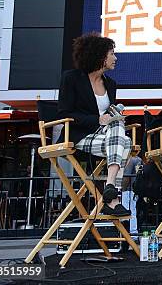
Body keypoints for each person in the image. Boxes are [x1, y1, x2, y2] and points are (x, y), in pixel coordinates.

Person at [58, 33, 132, 216]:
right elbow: (64, 113)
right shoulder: (72, 78)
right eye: (112, 53)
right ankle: (113, 195)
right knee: (124, 142)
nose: (115, 58)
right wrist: (97, 120)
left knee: (119, 128)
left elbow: (109, 118)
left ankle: (109, 190)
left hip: (106, 136)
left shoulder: (111, 84)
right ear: (100, 56)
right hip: (80, 135)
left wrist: (112, 117)